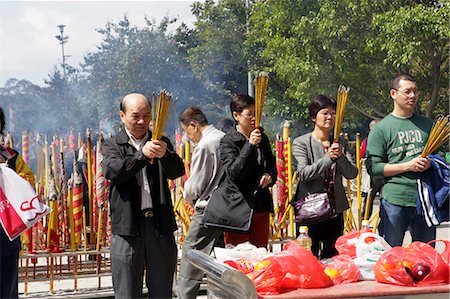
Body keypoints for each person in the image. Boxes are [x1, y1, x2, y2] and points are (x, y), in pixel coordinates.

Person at [102, 93, 185, 298]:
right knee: (127, 292)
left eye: (146, 116)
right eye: (135, 116)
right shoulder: (113, 144)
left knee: (162, 290)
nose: (142, 122)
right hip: (127, 228)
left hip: (159, 226)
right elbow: (114, 172)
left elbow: (177, 172)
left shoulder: (161, 141)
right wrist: (141, 156)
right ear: (122, 116)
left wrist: (165, 155)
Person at [366, 73, 435, 247]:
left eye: (415, 92)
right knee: (390, 255)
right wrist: (407, 166)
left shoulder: (428, 125)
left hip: (424, 199)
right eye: (407, 91)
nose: (412, 96)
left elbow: (440, 156)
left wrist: (431, 162)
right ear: (393, 94)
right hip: (394, 201)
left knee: (425, 257)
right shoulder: (381, 129)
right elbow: (373, 167)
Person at [292, 95, 357, 259]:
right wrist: (328, 158)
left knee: (332, 256)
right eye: (325, 113)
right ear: (314, 117)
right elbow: (303, 173)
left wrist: (340, 156)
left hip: (335, 209)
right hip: (310, 209)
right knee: (308, 257)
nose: (330, 117)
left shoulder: (340, 141)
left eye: (333, 113)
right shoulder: (301, 143)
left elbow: (352, 173)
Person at [176, 107, 226, 299]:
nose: (188, 137)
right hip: (226, 209)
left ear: (193, 125)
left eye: (187, 131)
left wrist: (188, 196)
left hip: (207, 208)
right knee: (220, 257)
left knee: (192, 255)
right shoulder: (224, 137)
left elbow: (195, 186)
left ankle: (184, 296)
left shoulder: (206, 144)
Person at [217, 94, 277, 248]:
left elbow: (272, 167)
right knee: (239, 257)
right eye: (249, 114)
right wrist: (249, 146)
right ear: (236, 116)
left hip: (260, 206)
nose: (254, 118)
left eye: (256, 114)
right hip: (238, 208)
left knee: (260, 256)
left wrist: (269, 176)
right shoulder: (228, 141)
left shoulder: (262, 138)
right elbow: (234, 173)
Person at [0, 107, 35, 299]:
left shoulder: (11, 156)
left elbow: (29, 182)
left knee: (7, 289)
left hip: (6, 236)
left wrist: (12, 177)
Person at [360, 119, 384, 219]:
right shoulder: (367, 141)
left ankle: (367, 218)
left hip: (383, 171)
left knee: (382, 199)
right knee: (370, 197)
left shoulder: (370, 140)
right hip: (372, 173)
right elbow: (361, 155)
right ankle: (365, 219)